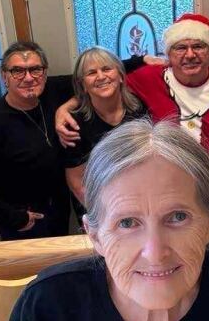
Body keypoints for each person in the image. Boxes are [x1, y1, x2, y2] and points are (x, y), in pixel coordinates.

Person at [10, 119, 209, 320]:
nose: (155, 253)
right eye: (126, 223)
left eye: (177, 217)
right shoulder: (50, 305)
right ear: (95, 234)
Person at [56, 13, 209, 164]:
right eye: (180, 48)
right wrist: (65, 108)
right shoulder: (150, 77)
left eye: (198, 46)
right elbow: (105, 82)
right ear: (169, 54)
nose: (190, 55)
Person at [0, 42, 74, 240]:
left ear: (44, 73)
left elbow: (93, 76)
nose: (28, 78)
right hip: (24, 223)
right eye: (17, 71)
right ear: (4, 77)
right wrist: (13, 218)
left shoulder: (52, 92)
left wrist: (142, 61)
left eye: (35, 69)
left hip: (60, 213)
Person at [62, 47, 148, 209]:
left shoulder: (139, 109)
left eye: (107, 69)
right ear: (83, 86)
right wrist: (105, 213)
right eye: (91, 73)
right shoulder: (73, 124)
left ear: (121, 76)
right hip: (97, 205)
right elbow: (76, 182)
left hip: (140, 199)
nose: (101, 77)